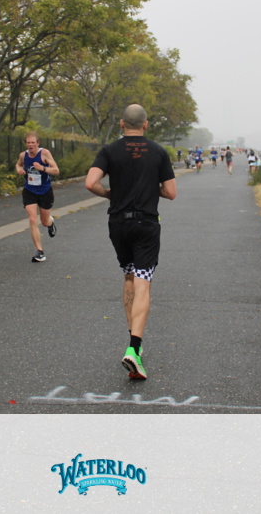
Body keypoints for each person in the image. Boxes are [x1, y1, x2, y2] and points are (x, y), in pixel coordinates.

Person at [85, 104, 177, 380]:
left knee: (128, 277)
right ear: (146, 125)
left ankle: (133, 342)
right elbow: (171, 192)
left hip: (118, 224)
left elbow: (90, 183)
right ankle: (134, 348)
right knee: (143, 282)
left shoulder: (109, 150)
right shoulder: (158, 151)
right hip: (146, 224)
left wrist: (110, 194)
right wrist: (150, 187)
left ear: (122, 124)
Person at [16, 132, 59, 262]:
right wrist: (19, 169)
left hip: (45, 191)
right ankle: (40, 252)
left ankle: (50, 222)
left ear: (38, 143)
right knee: (32, 219)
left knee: (44, 222)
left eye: (33, 142)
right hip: (29, 190)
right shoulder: (23, 155)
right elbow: (18, 164)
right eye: (28, 142)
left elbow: (56, 170)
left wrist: (42, 168)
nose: (30, 145)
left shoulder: (44, 153)